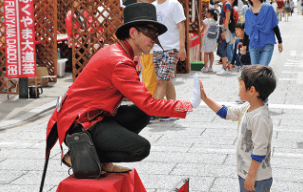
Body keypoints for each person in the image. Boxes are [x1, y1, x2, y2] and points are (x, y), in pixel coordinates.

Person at [45, 3, 200, 174]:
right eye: (150, 33)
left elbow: (144, 105)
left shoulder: (119, 53)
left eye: (156, 35)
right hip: (80, 125)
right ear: (133, 33)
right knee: (141, 148)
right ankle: (79, 153)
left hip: (90, 116)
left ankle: (101, 160)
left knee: (141, 113)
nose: (155, 40)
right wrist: (188, 104)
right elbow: (149, 103)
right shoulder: (120, 61)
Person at [200, 64, 276, 192]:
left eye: (241, 85)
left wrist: (251, 176)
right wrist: (205, 99)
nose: (238, 89)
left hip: (257, 178)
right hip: (246, 173)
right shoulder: (247, 106)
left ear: (251, 90)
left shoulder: (260, 118)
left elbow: (259, 151)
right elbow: (226, 113)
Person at [152, 0, 187, 115]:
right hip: (156, 49)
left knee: (161, 80)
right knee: (166, 80)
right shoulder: (153, 6)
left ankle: (154, 112)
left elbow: (181, 26)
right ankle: (173, 110)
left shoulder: (174, 4)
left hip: (171, 49)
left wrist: (182, 47)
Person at [241, 0, 283, 66]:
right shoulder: (248, 12)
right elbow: (247, 30)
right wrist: (244, 46)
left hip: (267, 43)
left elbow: (274, 25)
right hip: (254, 45)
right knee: (255, 71)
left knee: (261, 68)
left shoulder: (269, 8)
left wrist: (280, 41)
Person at [231, 21, 251, 104]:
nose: (237, 32)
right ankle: (242, 95)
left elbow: (251, 53)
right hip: (238, 64)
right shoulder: (237, 40)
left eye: (238, 30)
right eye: (236, 30)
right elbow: (234, 52)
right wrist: (232, 62)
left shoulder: (248, 41)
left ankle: (242, 95)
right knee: (240, 80)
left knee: (244, 81)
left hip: (246, 64)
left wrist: (246, 52)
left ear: (244, 30)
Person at [216, 0, 233, 75]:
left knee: (223, 48)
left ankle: (224, 68)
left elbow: (227, 18)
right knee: (222, 48)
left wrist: (224, 30)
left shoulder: (227, 4)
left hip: (224, 29)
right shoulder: (225, 4)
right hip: (223, 29)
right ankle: (224, 67)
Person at [200, 8, 219, 73]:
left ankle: (205, 67)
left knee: (205, 53)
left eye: (207, 13)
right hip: (213, 39)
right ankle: (210, 67)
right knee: (211, 52)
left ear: (209, 13)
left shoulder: (206, 21)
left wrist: (199, 32)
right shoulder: (215, 21)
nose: (206, 14)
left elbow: (202, 29)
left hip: (206, 38)